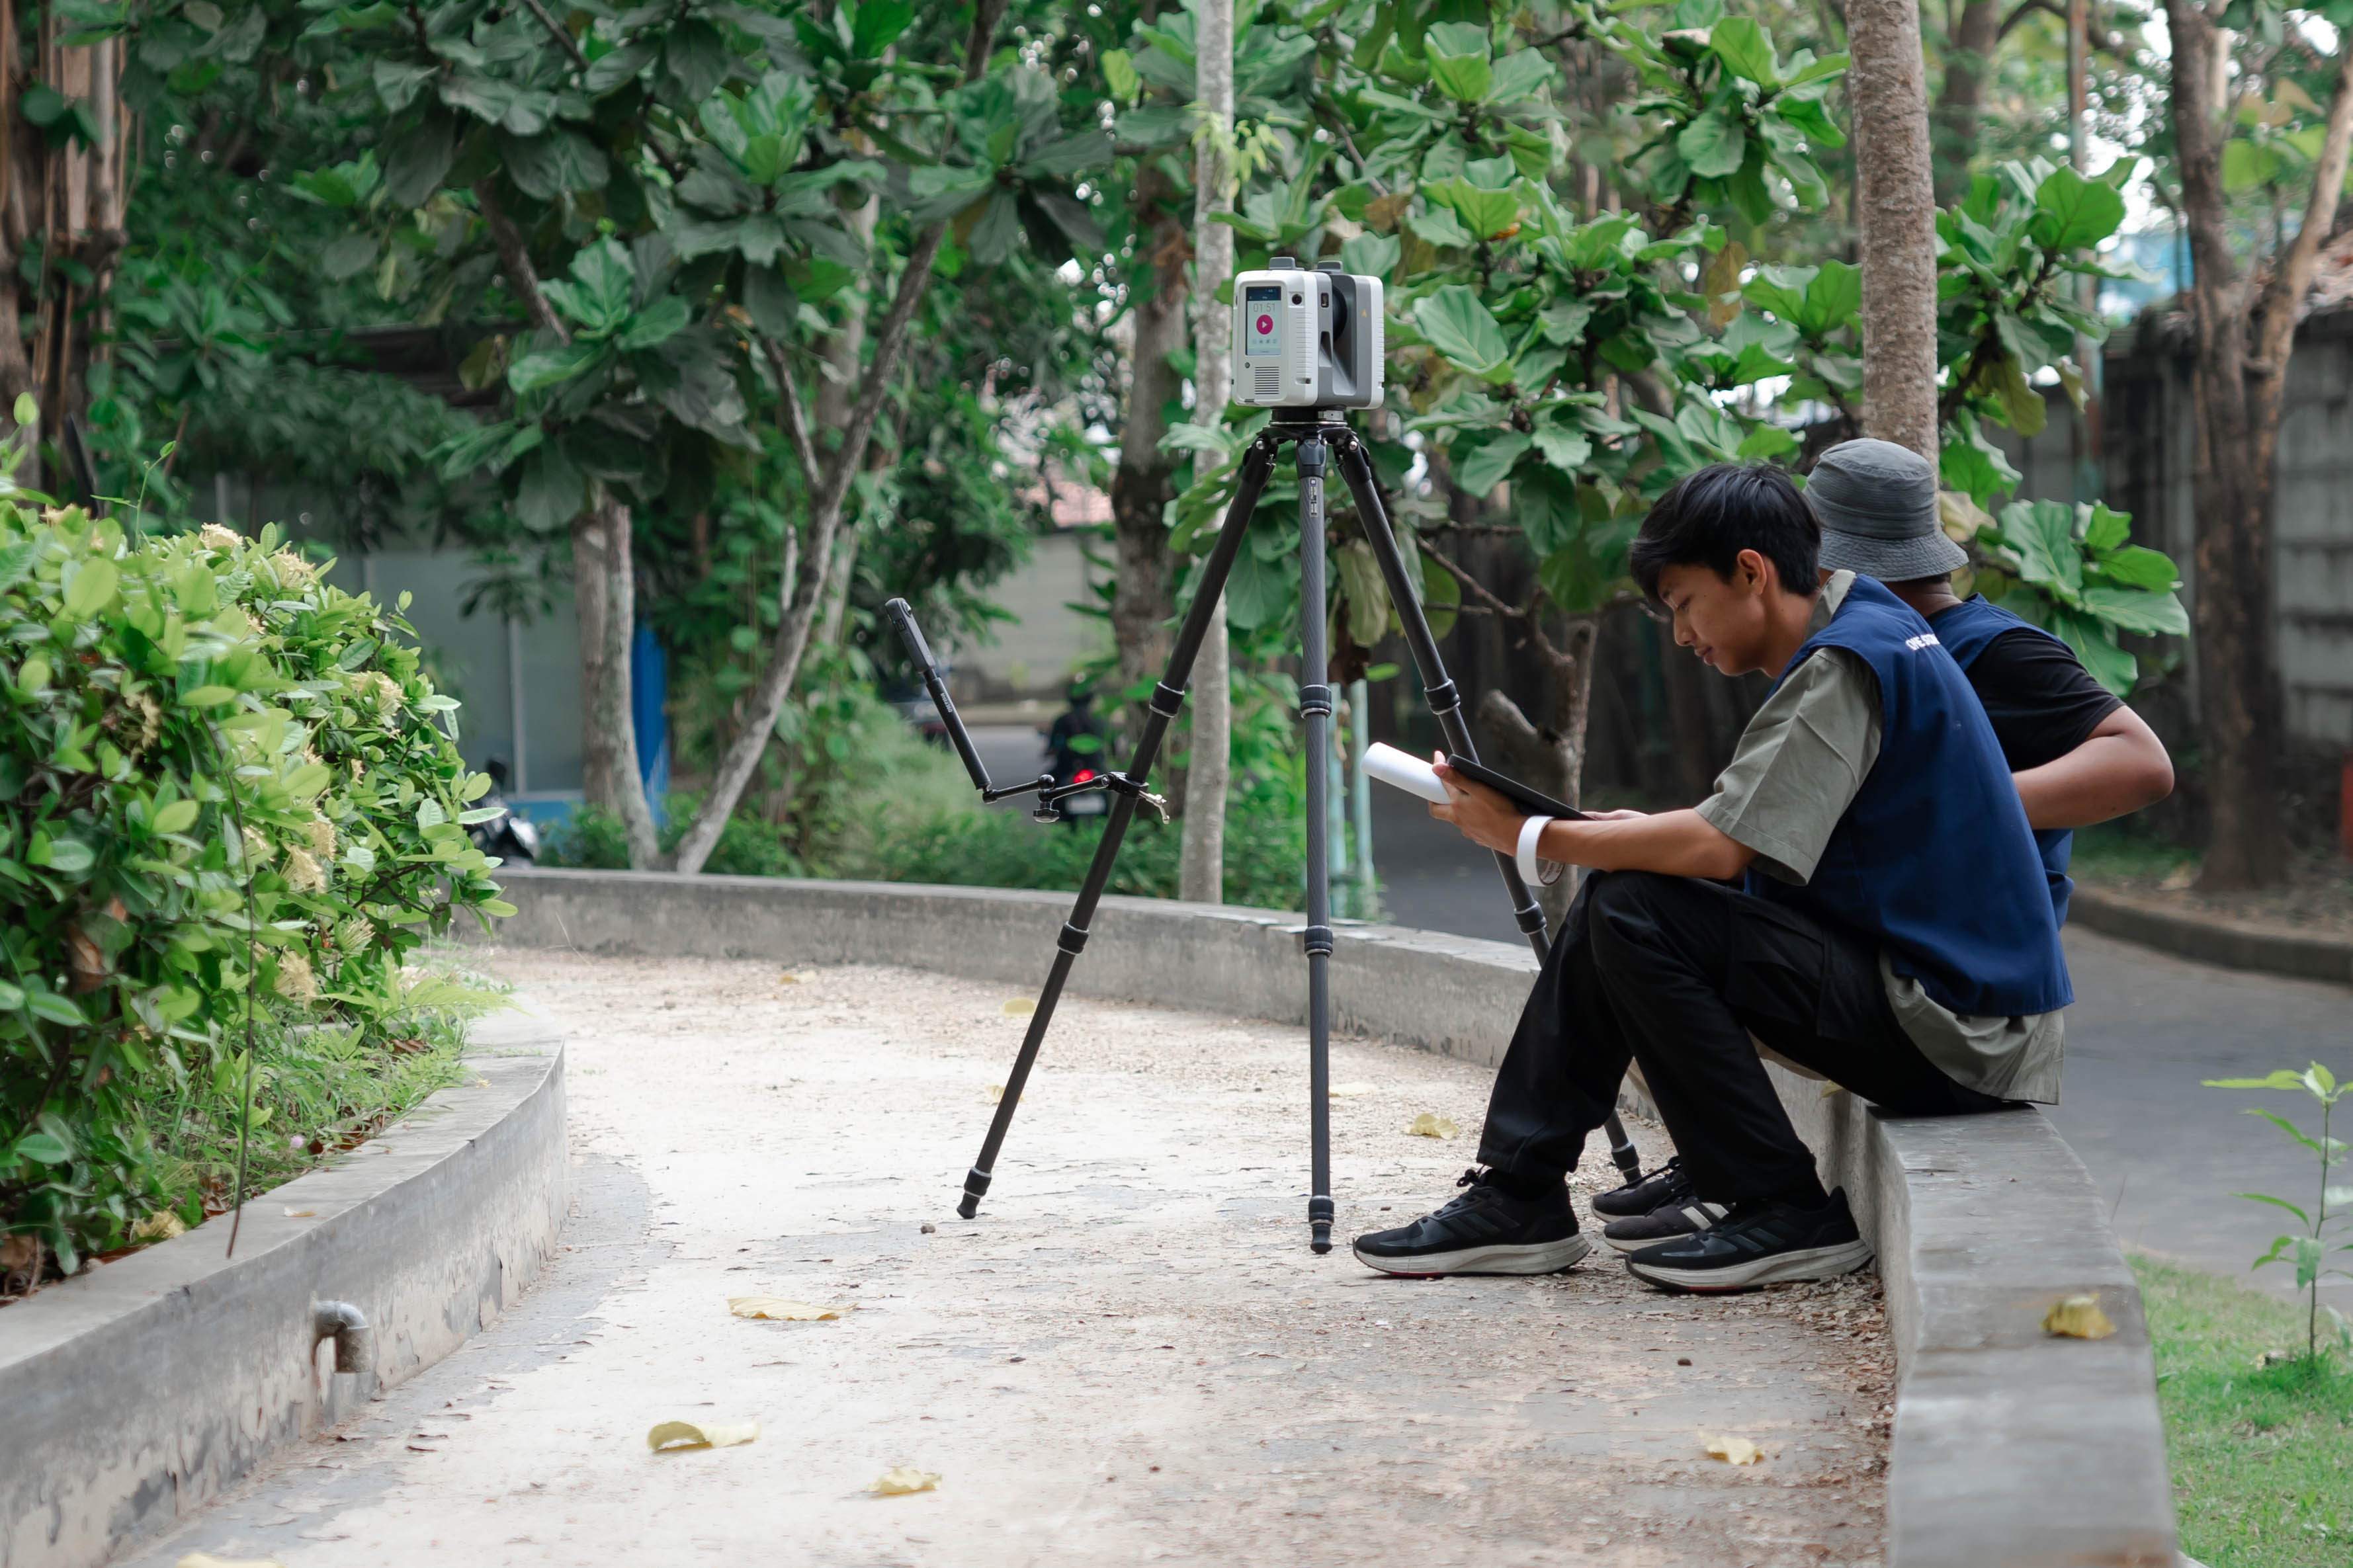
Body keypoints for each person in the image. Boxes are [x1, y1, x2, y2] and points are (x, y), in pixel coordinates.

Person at [1351, 462, 2071, 1292]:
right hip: (1941, 996)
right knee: (1625, 888)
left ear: (1751, 572)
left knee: (1632, 905)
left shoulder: (1848, 659)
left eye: (1683, 604)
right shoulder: (1866, 623)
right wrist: (1600, 834)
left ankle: (1781, 1207)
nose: (1681, 634)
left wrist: (1530, 833)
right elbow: (1752, 824)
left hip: (1957, 1029)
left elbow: (1721, 849)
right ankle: (1521, 1192)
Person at [1590, 440, 2172, 1254]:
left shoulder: (1981, 648)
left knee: (1661, 914)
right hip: (1876, 922)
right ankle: (1715, 1160)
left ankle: (1740, 1185)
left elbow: (2141, 762)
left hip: (1955, 955)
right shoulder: (1837, 653)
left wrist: (1952, 797)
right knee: (1654, 898)